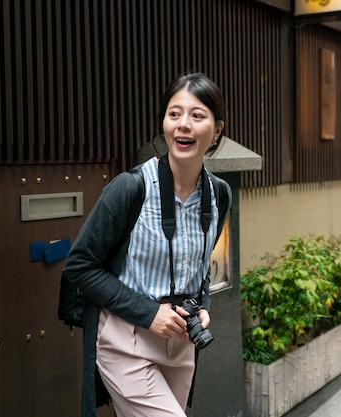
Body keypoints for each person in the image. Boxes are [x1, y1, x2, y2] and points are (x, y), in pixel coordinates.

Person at [64, 72, 231, 417]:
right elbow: (80, 265)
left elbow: (197, 269)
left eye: (197, 116)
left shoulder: (219, 195)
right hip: (126, 338)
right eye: (174, 114)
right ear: (164, 123)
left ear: (217, 130)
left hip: (181, 343)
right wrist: (150, 313)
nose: (183, 125)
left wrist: (202, 306)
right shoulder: (130, 188)